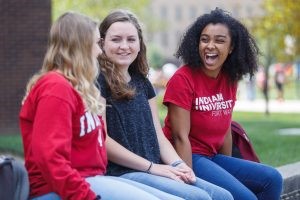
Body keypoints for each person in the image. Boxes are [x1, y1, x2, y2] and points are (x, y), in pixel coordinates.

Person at [19, 11, 172, 200]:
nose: (100, 51)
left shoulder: (77, 87)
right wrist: (85, 196)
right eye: (96, 43)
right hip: (61, 189)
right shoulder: (55, 88)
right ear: (80, 47)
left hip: (93, 180)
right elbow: (51, 159)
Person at [97, 9, 233, 200]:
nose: (124, 46)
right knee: (198, 198)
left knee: (224, 196)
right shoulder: (98, 82)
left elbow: (158, 135)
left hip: (156, 167)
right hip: (122, 172)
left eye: (131, 39)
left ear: (139, 44)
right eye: (116, 39)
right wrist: (153, 168)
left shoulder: (142, 82)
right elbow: (102, 140)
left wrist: (178, 165)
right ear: (102, 43)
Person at [162, 8, 283, 200]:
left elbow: (225, 126)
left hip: (212, 156)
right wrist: (188, 183)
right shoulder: (183, 79)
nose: (210, 46)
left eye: (219, 40)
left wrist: (228, 166)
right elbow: (179, 137)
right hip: (187, 157)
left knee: (273, 178)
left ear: (232, 47)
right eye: (204, 39)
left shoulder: (229, 78)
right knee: (245, 197)